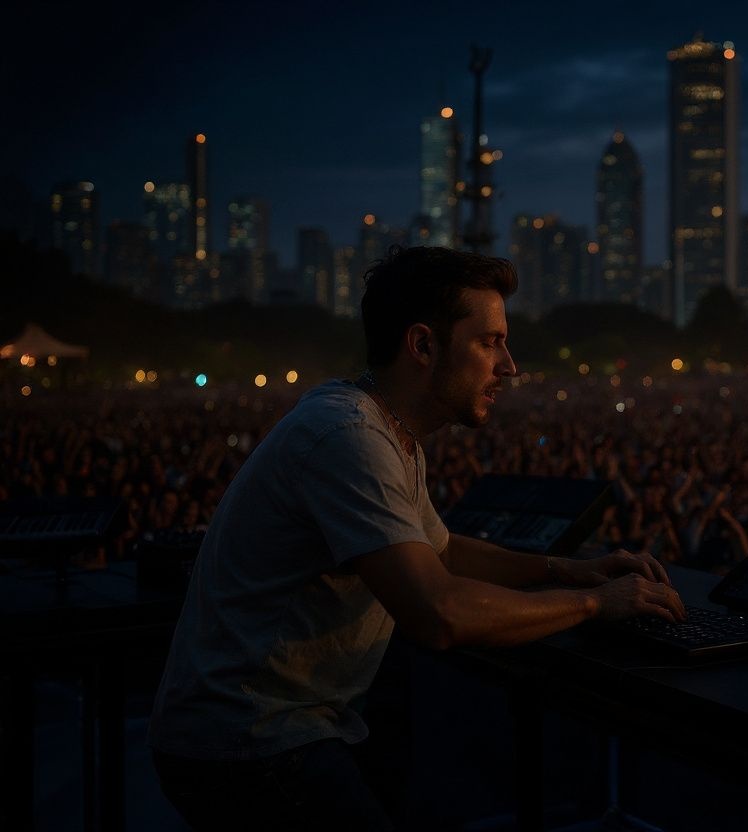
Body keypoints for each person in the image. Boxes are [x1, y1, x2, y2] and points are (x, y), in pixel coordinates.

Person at [147, 246, 685, 830]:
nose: (509, 366)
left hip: (278, 728)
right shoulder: (349, 437)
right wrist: (595, 603)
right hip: (249, 740)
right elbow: (437, 611)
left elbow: (444, 551)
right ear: (423, 345)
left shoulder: (386, 429)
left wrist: (566, 569)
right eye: (490, 342)